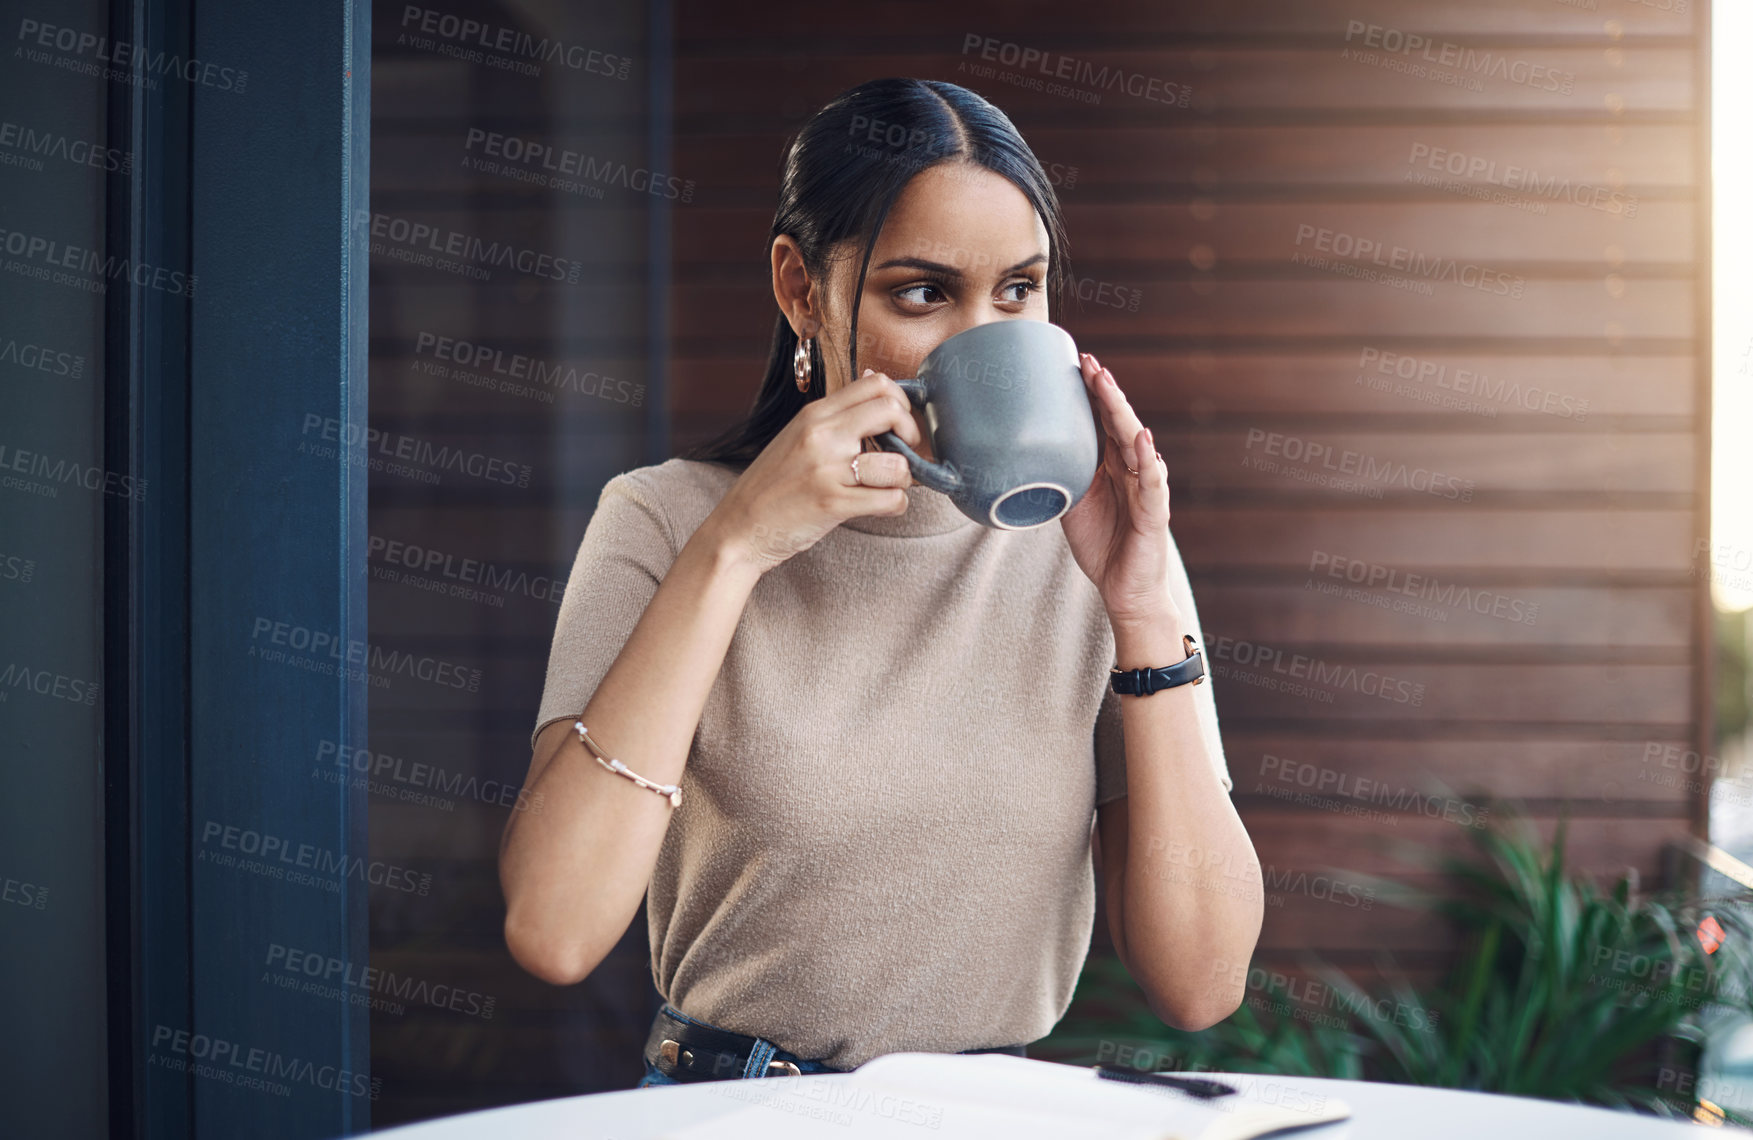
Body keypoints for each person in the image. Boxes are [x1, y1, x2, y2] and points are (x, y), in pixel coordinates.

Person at [498, 77, 1263, 1090]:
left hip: (995, 1113)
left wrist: (1141, 606)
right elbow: (553, 930)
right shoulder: (665, 521)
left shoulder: (1108, 561)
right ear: (800, 288)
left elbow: (1200, 982)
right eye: (923, 293)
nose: (980, 338)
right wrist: (734, 549)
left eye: (1019, 291)